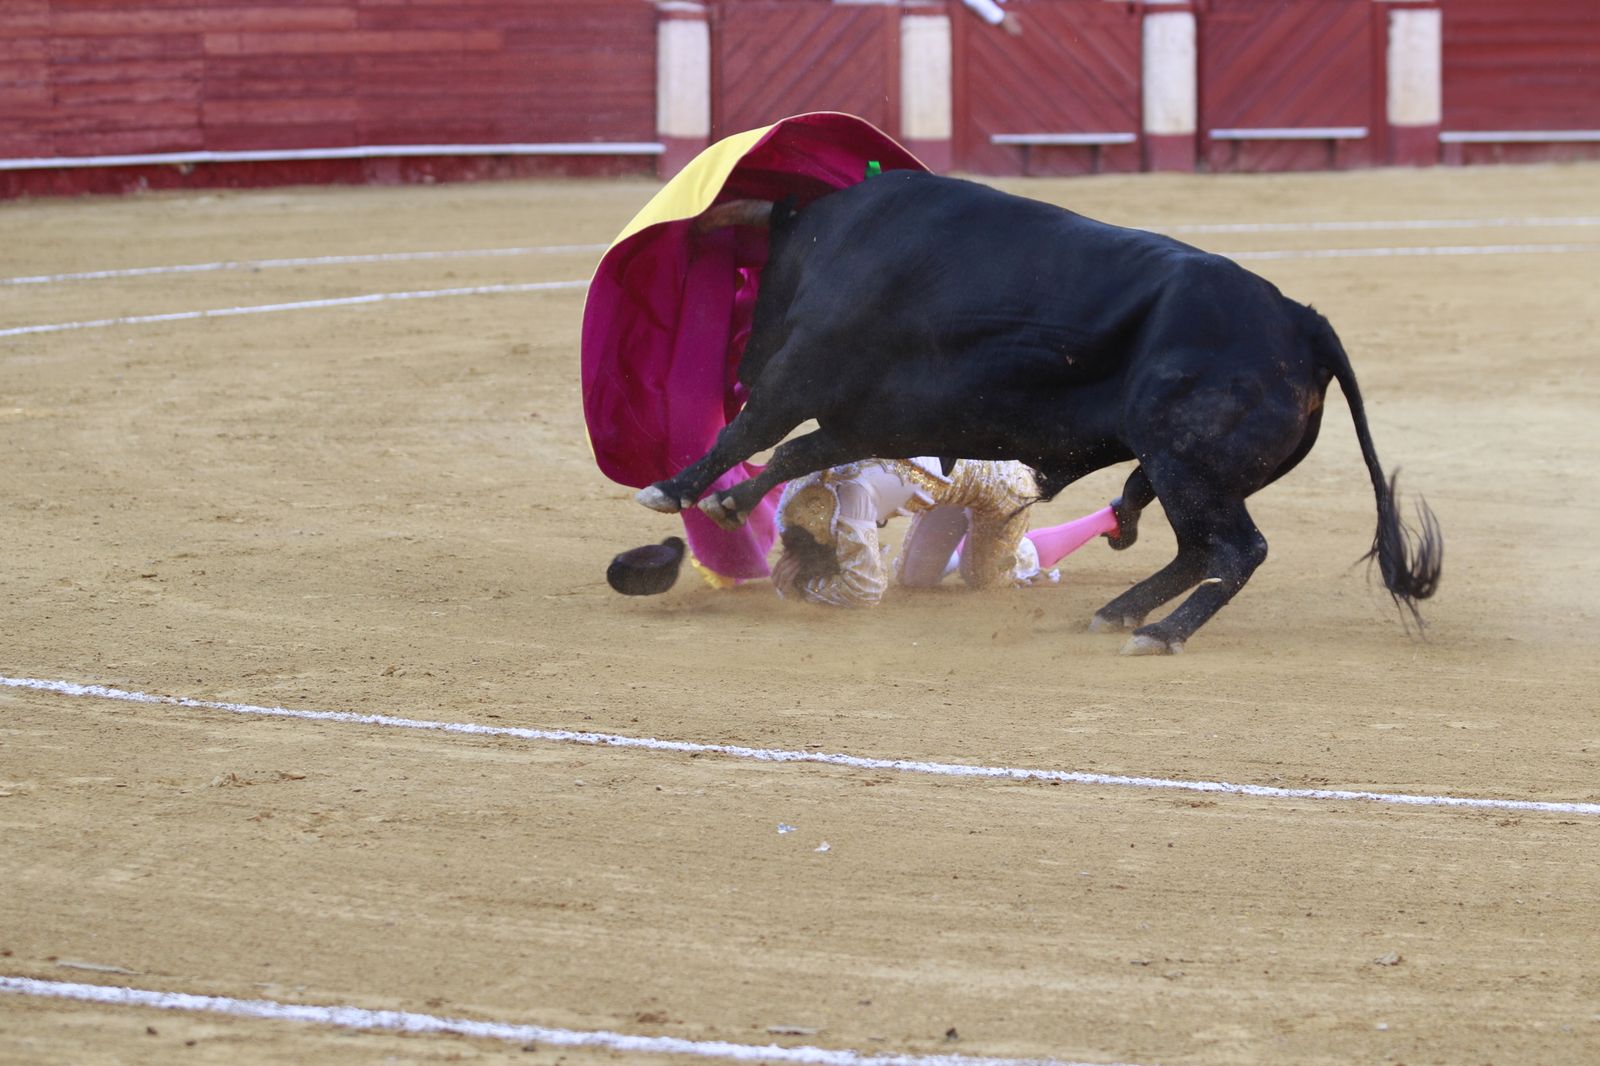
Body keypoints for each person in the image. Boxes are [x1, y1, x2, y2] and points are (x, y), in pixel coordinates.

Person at [771, 457, 1116, 608]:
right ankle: (974, 536)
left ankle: (1110, 517)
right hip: (949, 483)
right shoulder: (795, 503)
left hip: (1004, 486)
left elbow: (864, 590)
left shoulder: (850, 502)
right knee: (915, 577)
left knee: (983, 578)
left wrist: (804, 587)